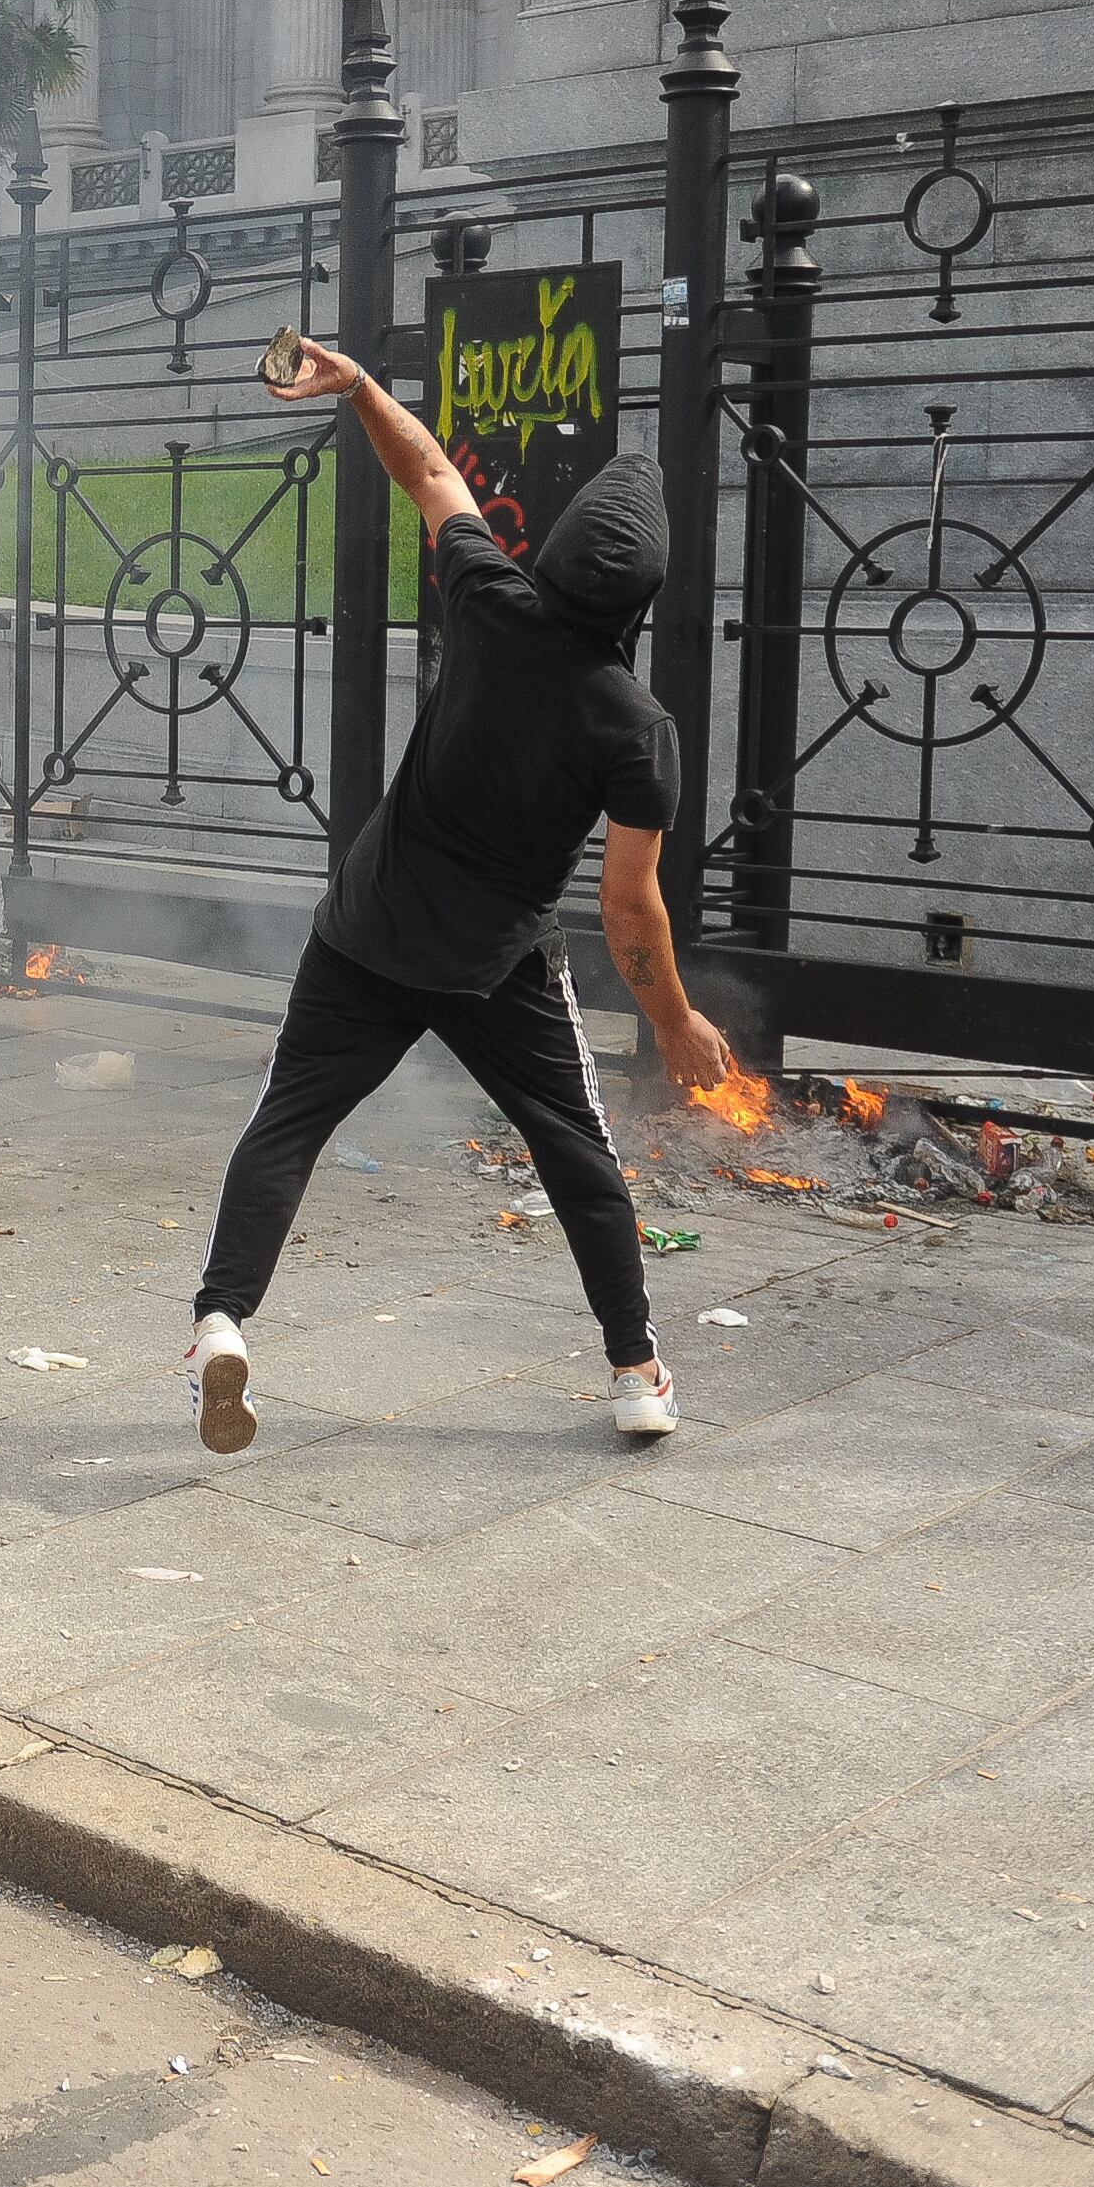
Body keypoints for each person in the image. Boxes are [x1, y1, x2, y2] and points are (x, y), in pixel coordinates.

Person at [182, 335, 739, 1454]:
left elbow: (430, 470)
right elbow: (631, 908)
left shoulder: (487, 598)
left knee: (289, 1123)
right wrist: (673, 1022)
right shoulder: (639, 729)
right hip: (494, 965)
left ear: (559, 554)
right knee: (577, 1152)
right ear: (644, 595)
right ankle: (635, 1370)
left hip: (366, 929)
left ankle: (221, 1317)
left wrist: (360, 387)